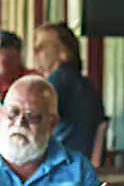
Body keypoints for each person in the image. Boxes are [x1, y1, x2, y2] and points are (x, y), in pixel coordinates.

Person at [31, 22, 106, 165]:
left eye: (42, 46)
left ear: (64, 52)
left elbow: (34, 127)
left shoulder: (58, 80)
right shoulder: (84, 83)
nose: (35, 50)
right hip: (81, 165)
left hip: (62, 166)